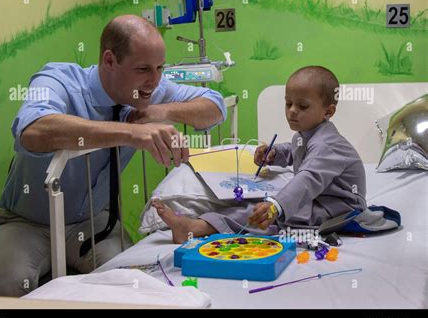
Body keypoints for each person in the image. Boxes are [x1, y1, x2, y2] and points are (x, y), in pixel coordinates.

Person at [0, 15, 226, 296]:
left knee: (136, 283)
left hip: (93, 221)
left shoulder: (149, 90)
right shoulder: (59, 79)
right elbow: (32, 129)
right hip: (25, 221)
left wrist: (158, 112)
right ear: (109, 60)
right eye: (144, 68)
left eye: (160, 67)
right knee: (6, 285)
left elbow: (216, 107)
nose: (155, 80)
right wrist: (129, 132)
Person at [152, 66, 367, 243]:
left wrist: (276, 205)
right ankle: (199, 224)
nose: (292, 111)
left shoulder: (328, 144)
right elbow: (295, 151)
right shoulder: (307, 135)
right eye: (288, 103)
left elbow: (308, 178)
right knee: (253, 207)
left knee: (277, 219)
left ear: (328, 112)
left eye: (302, 106)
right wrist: (275, 153)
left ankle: (195, 228)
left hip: (341, 208)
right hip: (321, 200)